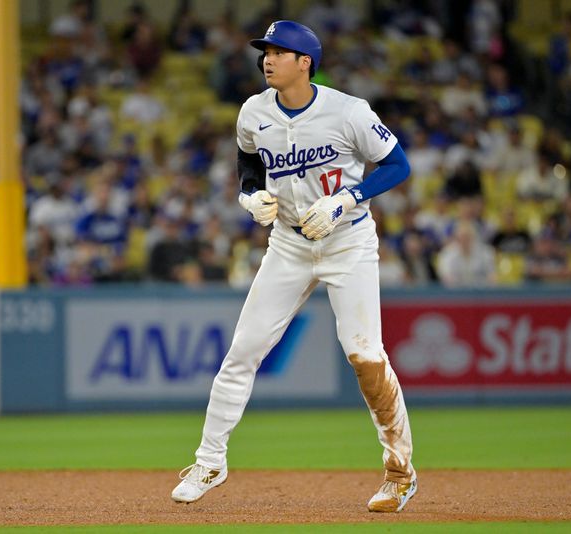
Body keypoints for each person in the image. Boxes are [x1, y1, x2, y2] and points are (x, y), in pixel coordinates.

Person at [171, 20, 417, 513]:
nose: (267, 58)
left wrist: (348, 196)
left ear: (305, 63)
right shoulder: (253, 112)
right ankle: (210, 461)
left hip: (347, 242)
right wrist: (249, 196)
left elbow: (398, 165)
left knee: (365, 354)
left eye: (279, 51)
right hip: (287, 245)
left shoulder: (348, 111)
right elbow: (247, 164)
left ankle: (399, 473)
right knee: (242, 352)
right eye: (265, 50)